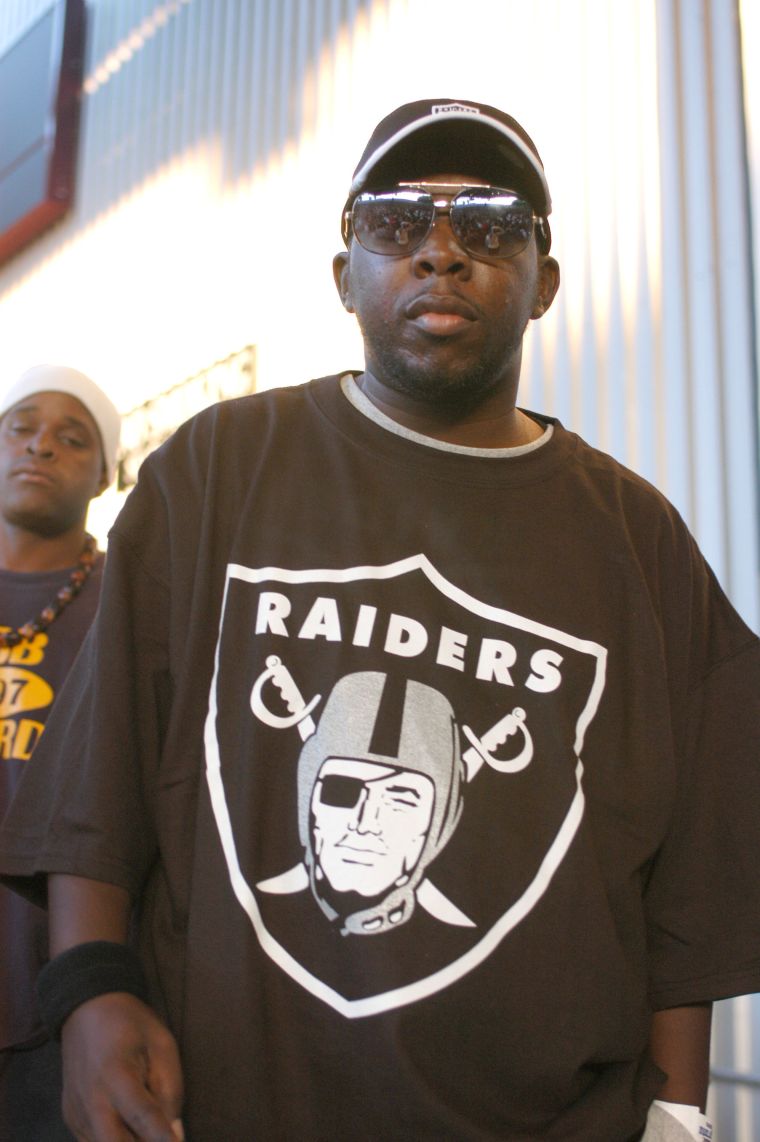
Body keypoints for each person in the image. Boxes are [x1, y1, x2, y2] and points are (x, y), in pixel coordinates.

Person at [0, 99, 758, 1142]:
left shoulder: (638, 537)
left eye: (490, 223)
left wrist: (678, 1109)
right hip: (218, 1106)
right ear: (343, 273)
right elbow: (101, 771)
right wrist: (90, 990)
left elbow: (701, 866)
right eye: (395, 222)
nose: (441, 251)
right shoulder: (217, 467)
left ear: (544, 281)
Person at [0, 364, 121, 1140]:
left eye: (72, 438)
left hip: (55, 1004)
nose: (42, 445)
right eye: (22, 427)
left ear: (106, 474)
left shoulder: (128, 602)